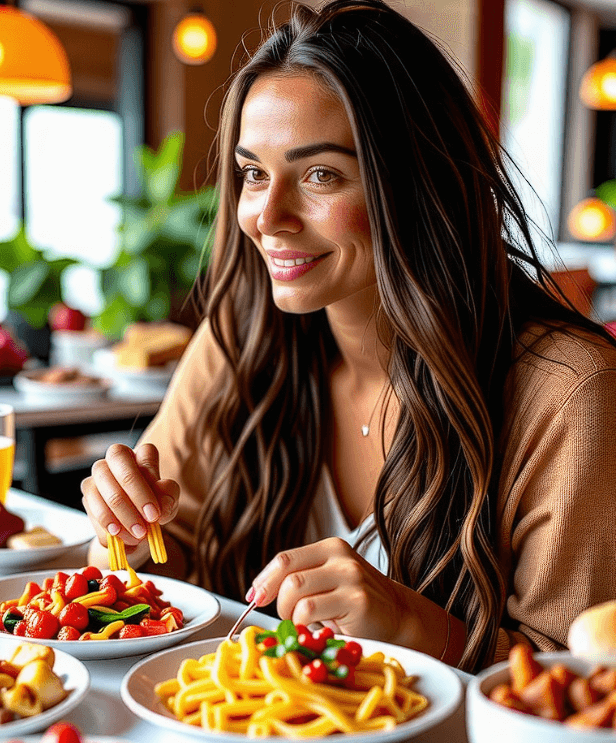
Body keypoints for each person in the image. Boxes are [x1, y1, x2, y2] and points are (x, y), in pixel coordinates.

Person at [80, 0, 616, 672]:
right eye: (252, 174)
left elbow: (582, 686)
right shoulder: (238, 343)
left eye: (319, 175)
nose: (266, 217)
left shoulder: (570, 393)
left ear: (419, 183)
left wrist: (410, 625)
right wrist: (121, 540)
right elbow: (158, 562)